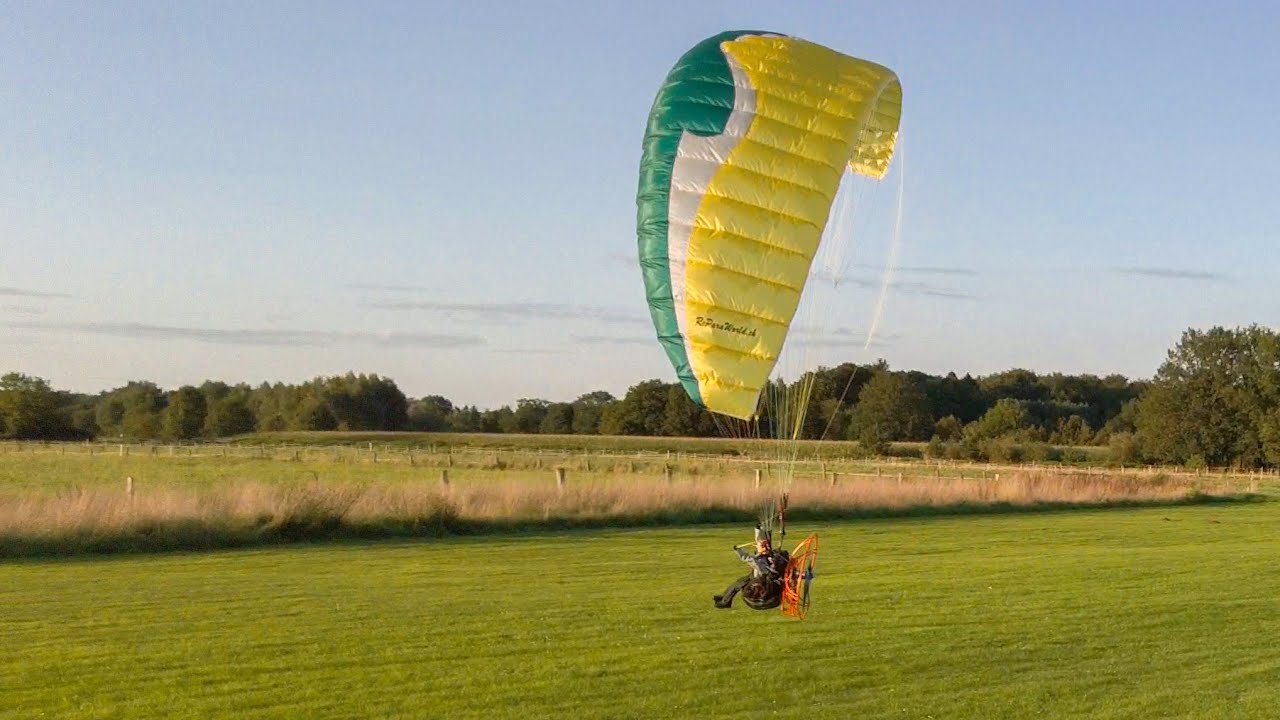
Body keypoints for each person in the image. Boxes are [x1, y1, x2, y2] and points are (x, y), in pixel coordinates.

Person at [713, 525, 789, 609]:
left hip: (766, 592)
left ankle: (725, 601)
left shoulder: (762, 561)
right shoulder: (763, 559)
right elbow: (757, 546)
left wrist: (738, 550)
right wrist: (758, 529)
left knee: (739, 583)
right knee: (739, 582)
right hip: (765, 592)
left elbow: (749, 557)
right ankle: (725, 600)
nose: (762, 545)